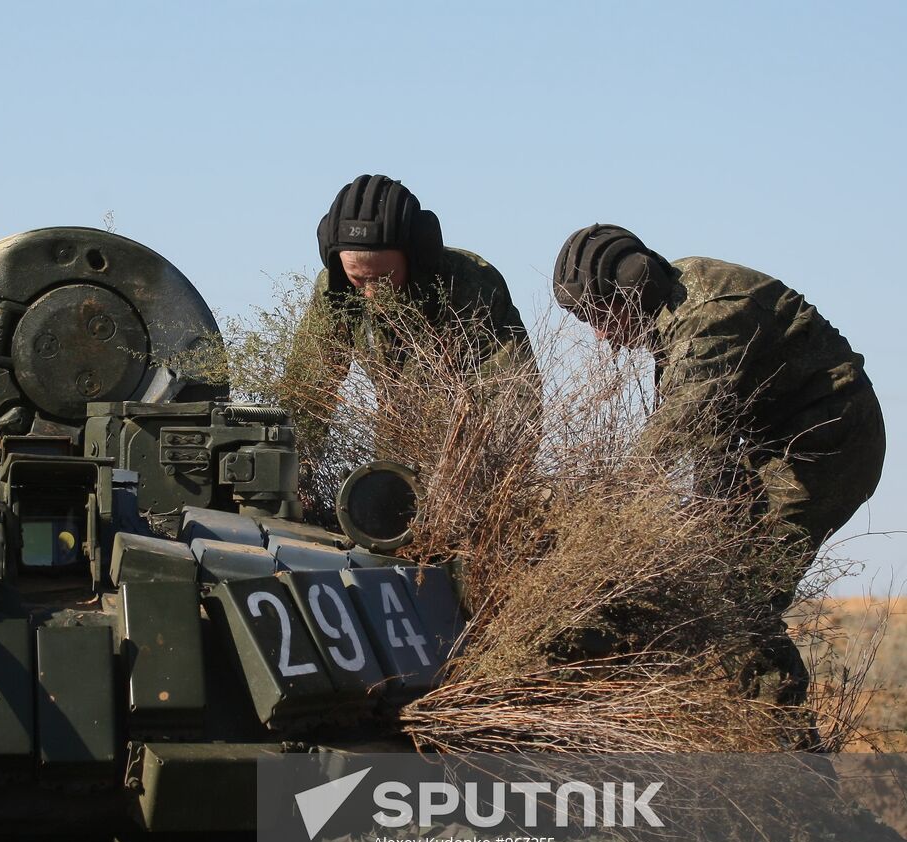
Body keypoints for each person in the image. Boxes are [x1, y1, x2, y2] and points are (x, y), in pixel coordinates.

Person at [552, 224, 886, 703]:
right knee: (709, 566)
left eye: (603, 316)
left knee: (740, 595)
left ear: (633, 286)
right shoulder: (670, 305)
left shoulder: (711, 317)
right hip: (772, 441)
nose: (603, 336)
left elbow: (678, 429)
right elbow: (708, 443)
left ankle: (780, 738)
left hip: (830, 442)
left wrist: (597, 520)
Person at [286, 174, 537, 453]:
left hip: (465, 453)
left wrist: (480, 479)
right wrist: (297, 472)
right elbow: (306, 393)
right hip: (393, 447)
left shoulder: (472, 287)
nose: (371, 293)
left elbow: (513, 403)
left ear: (418, 257)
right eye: (358, 278)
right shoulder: (335, 290)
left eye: (384, 277)